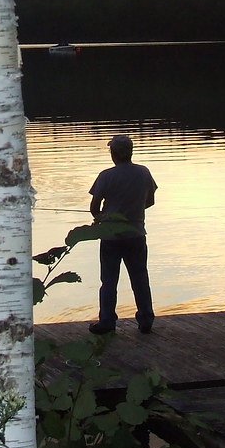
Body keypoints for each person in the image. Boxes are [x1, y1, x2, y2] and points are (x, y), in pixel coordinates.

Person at [87, 134, 157, 335]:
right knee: (140, 278)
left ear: (114, 153)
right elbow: (150, 201)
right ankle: (146, 320)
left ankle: (107, 322)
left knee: (109, 281)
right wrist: (133, 211)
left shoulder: (106, 175)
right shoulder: (144, 173)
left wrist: (100, 217)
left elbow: (94, 206)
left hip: (111, 236)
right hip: (136, 234)